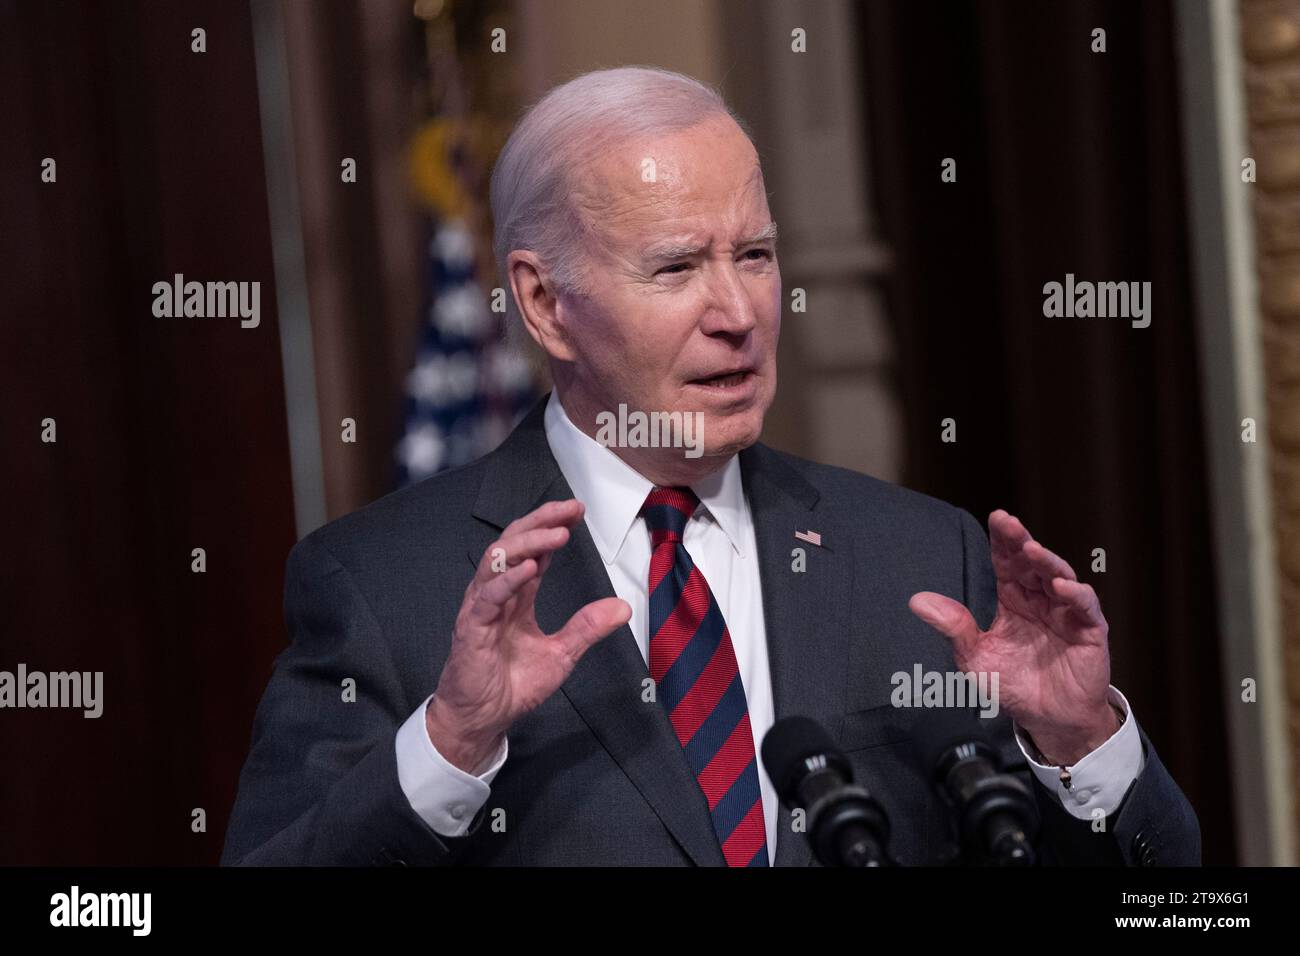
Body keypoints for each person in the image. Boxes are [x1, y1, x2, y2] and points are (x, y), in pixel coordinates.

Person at [221, 66, 1199, 867]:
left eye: (757, 255)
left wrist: (1081, 745)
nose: (739, 312)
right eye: (677, 266)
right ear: (544, 301)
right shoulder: (387, 587)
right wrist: (447, 748)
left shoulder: (920, 558)